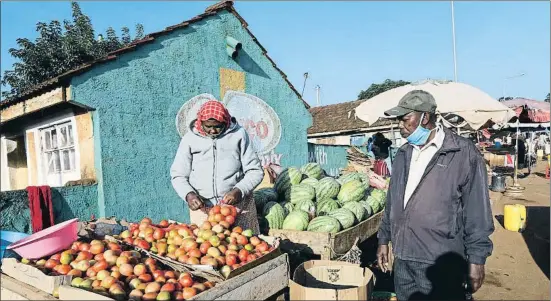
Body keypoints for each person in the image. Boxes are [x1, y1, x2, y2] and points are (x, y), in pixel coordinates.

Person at [376, 90, 494, 301]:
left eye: (405, 119)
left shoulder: (461, 152)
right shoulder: (403, 154)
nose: (401, 126)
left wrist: (477, 260)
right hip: (403, 258)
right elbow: (393, 202)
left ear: (425, 117)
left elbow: (477, 211)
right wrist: (384, 239)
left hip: (440, 259)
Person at [170, 100, 264, 233]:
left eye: (218, 126)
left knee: (246, 247)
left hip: (238, 207)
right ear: (200, 121)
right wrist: (189, 195)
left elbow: (255, 171)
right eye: (207, 126)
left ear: (225, 121)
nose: (212, 130)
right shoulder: (189, 140)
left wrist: (239, 190)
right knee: (206, 250)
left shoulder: (239, 135)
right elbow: (178, 175)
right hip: (203, 209)